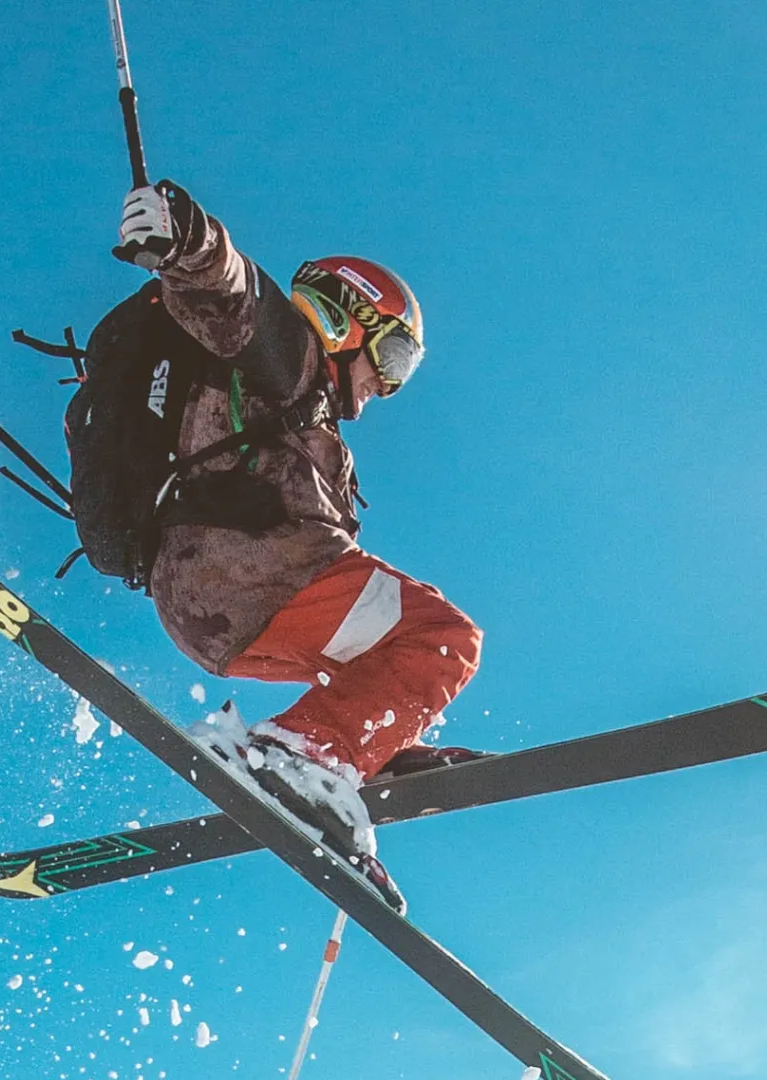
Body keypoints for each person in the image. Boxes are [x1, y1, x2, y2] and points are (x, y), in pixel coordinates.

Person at [114, 181, 483, 912]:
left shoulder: (317, 424)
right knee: (444, 637)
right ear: (348, 317)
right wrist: (185, 236)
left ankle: (359, 745)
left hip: (213, 607)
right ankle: (305, 753)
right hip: (255, 569)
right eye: (397, 355)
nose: (390, 384)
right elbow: (228, 292)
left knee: (384, 652)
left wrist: (389, 732)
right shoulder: (287, 353)